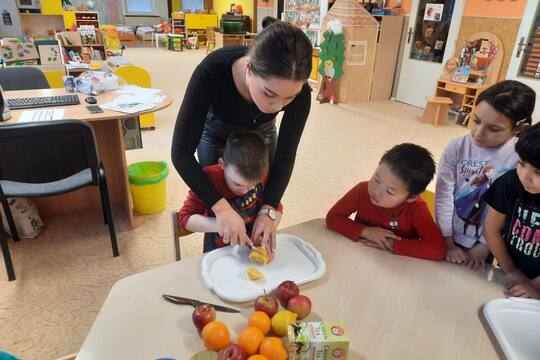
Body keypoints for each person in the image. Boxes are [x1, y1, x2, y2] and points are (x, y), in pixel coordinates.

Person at [171, 19, 312, 255]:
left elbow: (285, 157)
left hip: (262, 131)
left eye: (289, 98)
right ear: (249, 68)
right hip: (216, 131)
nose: (277, 106)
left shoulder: (300, 93)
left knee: (256, 195)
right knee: (218, 196)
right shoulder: (212, 71)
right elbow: (181, 154)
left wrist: (268, 212)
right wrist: (220, 207)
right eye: (269, 93)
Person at [435, 80, 535, 270]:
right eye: (476, 120)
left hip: (488, 243)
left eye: (494, 128)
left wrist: (485, 246)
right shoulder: (456, 147)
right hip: (447, 234)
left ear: (519, 129)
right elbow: (443, 196)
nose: (478, 133)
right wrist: (447, 241)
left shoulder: (520, 159)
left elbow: (513, 208)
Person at [326, 143, 445, 261]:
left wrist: (390, 243)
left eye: (389, 191)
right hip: (359, 255)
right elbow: (333, 217)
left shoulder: (417, 208)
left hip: (396, 265)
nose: (376, 191)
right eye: (377, 179)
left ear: (411, 197)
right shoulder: (362, 190)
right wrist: (366, 231)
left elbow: (437, 249)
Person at [178, 130, 282, 252]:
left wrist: (267, 227)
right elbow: (184, 219)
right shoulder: (207, 179)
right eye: (237, 184)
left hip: (251, 249)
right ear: (222, 164)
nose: (244, 191)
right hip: (218, 252)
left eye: (252, 186)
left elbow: (276, 208)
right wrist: (222, 224)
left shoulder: (261, 175)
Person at [484, 123, 540, 299]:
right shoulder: (510, 182)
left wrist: (535, 286)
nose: (525, 176)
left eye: (538, 172)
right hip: (511, 274)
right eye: (522, 164)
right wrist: (513, 272)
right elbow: (491, 230)